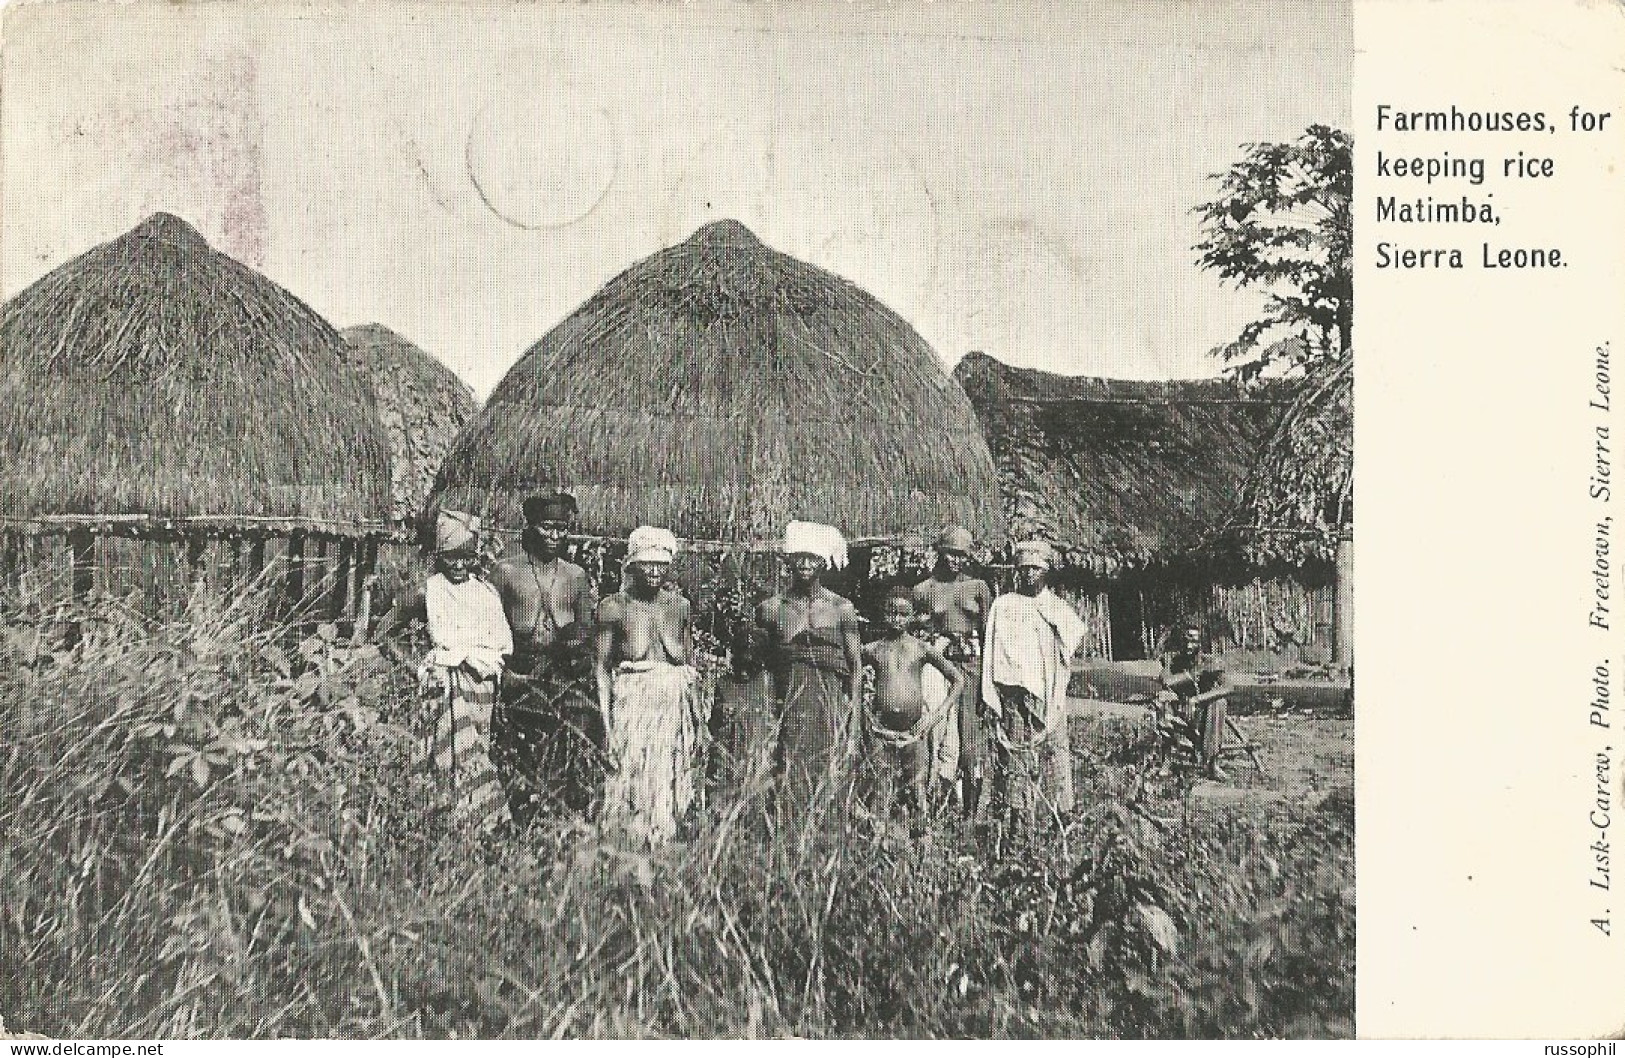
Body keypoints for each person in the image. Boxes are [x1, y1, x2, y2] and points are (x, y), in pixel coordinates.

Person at [488, 492, 602, 818]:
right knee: (517, 754)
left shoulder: (575, 576)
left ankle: (560, 817)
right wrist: (505, 673)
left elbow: (586, 630)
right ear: (531, 527)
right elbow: (490, 627)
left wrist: (579, 653)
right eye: (548, 527)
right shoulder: (506, 572)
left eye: (562, 529)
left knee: (568, 750)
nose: (555, 536)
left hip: (564, 675)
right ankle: (518, 816)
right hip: (519, 672)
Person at [595, 526, 702, 846]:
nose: (654, 571)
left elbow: (689, 664)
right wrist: (607, 723)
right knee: (630, 777)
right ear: (633, 565)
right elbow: (601, 667)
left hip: (673, 706)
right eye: (647, 563)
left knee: (670, 779)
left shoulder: (679, 607)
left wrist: (697, 720)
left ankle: (665, 844)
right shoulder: (614, 607)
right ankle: (627, 846)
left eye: (660, 564)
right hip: (633, 703)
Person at [981, 540, 1089, 840]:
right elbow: (993, 648)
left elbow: (1072, 640)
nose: (1029, 575)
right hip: (1013, 694)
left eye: (1036, 569)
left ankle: (1063, 814)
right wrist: (995, 690)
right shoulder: (1004, 605)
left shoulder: (1055, 607)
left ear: (1046, 571)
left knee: (1055, 751)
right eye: (1024, 569)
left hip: (1047, 692)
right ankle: (1018, 819)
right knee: (1016, 755)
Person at [418, 510, 512, 835]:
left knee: (477, 753)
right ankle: (449, 825)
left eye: (465, 558)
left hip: (481, 688)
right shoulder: (429, 590)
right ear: (439, 556)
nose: (458, 566)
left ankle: (480, 828)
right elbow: (386, 628)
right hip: (446, 686)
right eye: (450, 558)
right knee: (448, 754)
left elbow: (501, 645)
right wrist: (424, 667)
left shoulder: (486, 594)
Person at [757, 521, 864, 808]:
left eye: (812, 557)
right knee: (787, 771)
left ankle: (824, 839)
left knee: (827, 770)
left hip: (829, 706)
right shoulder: (771, 609)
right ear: (789, 560)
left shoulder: (841, 609)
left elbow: (855, 668)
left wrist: (853, 720)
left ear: (823, 561)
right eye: (799, 556)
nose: (805, 563)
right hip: (788, 705)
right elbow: (762, 668)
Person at [912, 525, 995, 817]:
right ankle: (933, 804)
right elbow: (916, 635)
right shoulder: (924, 590)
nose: (955, 561)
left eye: (961, 556)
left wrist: (989, 683)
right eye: (949, 554)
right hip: (937, 668)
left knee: (971, 743)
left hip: (971, 667)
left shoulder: (979, 588)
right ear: (939, 553)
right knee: (936, 735)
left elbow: (989, 637)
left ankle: (970, 815)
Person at [863, 587, 964, 825]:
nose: (896, 619)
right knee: (881, 792)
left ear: (912, 616)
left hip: (914, 734)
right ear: (882, 613)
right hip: (881, 734)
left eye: (902, 613)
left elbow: (958, 679)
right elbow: (851, 675)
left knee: (918, 795)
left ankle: (921, 851)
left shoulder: (921, 648)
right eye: (890, 613)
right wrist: (864, 713)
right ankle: (880, 847)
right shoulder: (872, 649)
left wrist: (937, 716)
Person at [1155, 622, 1232, 781]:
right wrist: (1191, 674)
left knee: (1219, 703)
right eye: (1186, 640)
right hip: (1180, 706)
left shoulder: (1209, 661)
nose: (1189, 645)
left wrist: (1197, 699)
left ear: (1200, 643)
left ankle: (1212, 763)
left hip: (1203, 709)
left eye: (1194, 641)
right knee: (1162, 700)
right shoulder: (1174, 660)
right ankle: (1167, 761)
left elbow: (1228, 687)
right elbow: (1166, 681)